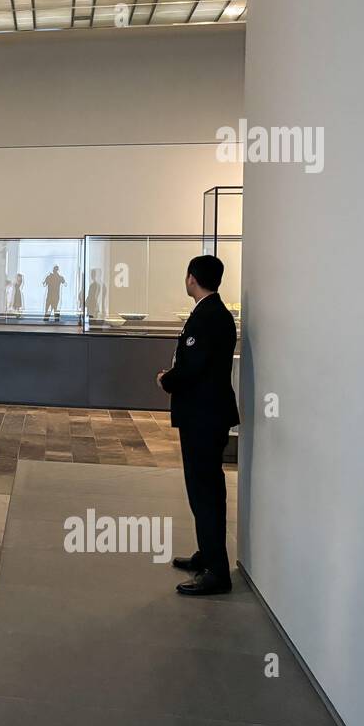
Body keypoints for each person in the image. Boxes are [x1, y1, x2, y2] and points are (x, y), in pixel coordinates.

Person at [157, 254, 240, 596]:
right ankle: (207, 554)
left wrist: (166, 380)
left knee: (205, 491)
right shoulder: (212, 313)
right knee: (201, 490)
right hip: (204, 415)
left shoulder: (209, 316)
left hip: (205, 416)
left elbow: (194, 366)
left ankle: (217, 572)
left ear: (191, 278)